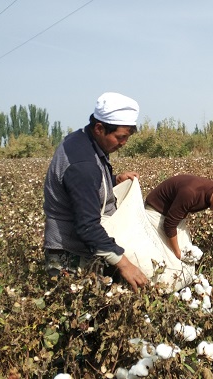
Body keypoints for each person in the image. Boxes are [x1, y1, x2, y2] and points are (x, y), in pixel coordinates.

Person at [43, 92, 148, 291]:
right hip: (69, 257)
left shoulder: (81, 140)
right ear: (99, 128)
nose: (124, 143)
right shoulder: (83, 165)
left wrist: (114, 179)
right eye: (120, 137)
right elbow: (87, 226)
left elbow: (83, 188)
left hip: (81, 250)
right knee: (78, 319)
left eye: (127, 137)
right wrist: (125, 265)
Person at [144, 175, 213, 259]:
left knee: (187, 252)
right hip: (156, 211)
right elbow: (169, 224)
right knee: (169, 257)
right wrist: (178, 254)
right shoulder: (191, 193)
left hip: (174, 214)